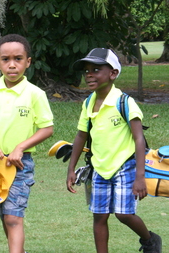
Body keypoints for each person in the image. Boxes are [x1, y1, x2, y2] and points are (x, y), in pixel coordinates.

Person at [66, 48, 162, 253]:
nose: (89, 74)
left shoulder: (124, 102)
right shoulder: (88, 103)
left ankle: (150, 240)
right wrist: (71, 169)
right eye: (86, 70)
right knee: (99, 216)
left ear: (113, 73)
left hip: (125, 166)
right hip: (100, 167)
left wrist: (140, 177)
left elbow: (138, 139)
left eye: (96, 69)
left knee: (123, 214)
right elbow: (81, 135)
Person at [0, 34, 54, 253]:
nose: (12, 64)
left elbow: (47, 128)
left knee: (13, 217)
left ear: (28, 61)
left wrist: (20, 148)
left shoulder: (35, 94)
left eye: (18, 58)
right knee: (4, 214)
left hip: (19, 165)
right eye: (5, 59)